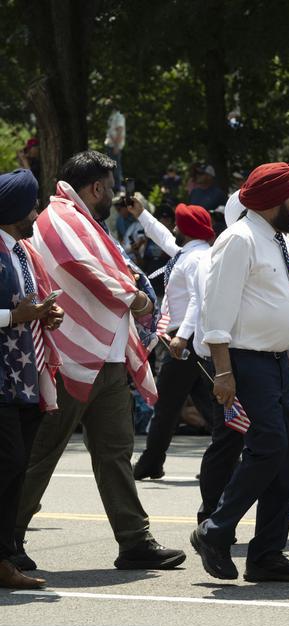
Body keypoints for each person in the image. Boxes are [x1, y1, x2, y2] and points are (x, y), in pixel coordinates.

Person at [14, 150, 185, 572]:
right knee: (42, 453)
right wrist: (137, 297)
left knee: (115, 453)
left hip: (106, 357)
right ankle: (7, 540)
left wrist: (133, 293)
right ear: (95, 188)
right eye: (109, 188)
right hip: (69, 356)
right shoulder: (57, 219)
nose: (113, 195)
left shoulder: (86, 222)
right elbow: (84, 269)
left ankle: (134, 541)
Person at [190, 162, 289, 583]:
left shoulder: (275, 238)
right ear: (271, 201)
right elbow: (217, 313)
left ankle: (266, 555)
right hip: (247, 361)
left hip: (278, 361)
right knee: (269, 446)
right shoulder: (239, 240)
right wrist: (223, 373)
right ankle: (216, 529)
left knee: (286, 455)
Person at [0, 169, 63, 589]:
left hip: (24, 374)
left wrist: (45, 313)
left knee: (16, 466)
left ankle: (6, 557)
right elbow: (14, 310)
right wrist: (14, 316)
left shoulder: (24, 251)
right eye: (30, 204)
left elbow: (31, 299)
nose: (36, 212)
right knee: (9, 461)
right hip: (1, 377)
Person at [131, 203, 217, 480]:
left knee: (168, 404)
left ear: (188, 230)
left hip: (185, 341)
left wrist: (182, 336)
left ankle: (151, 461)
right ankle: (228, 456)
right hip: (189, 341)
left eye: (178, 224)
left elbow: (197, 298)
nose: (174, 229)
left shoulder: (196, 259)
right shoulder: (190, 253)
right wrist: (141, 214)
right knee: (207, 402)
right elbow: (164, 237)